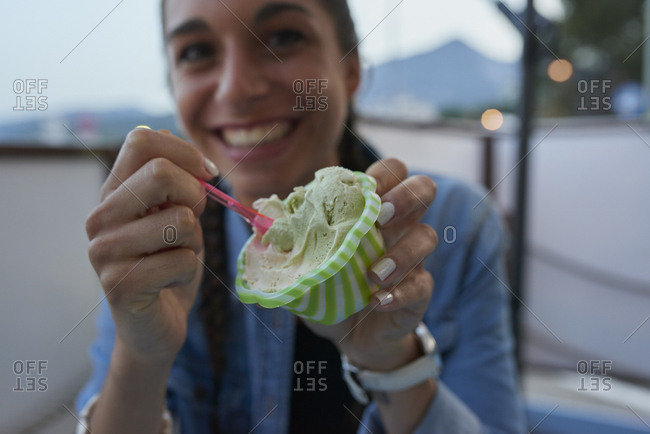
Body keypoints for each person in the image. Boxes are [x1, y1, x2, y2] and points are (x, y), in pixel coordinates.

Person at [76, 0, 526, 432]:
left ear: (350, 71)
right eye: (197, 52)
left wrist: (392, 360)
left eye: (283, 37)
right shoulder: (161, 245)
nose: (236, 88)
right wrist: (141, 358)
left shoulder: (451, 224)